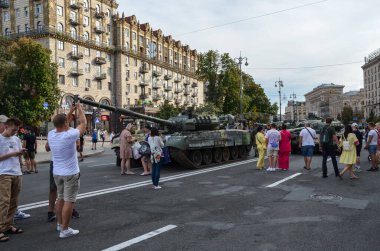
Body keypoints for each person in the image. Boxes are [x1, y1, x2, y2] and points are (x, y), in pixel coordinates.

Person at [47, 102, 86, 238]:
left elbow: (64, 123)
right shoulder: (69, 135)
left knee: (60, 199)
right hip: (70, 173)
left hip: (57, 173)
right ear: (65, 123)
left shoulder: (51, 134)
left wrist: (70, 111)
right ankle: (65, 229)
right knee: (69, 201)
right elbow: (83, 124)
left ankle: (59, 224)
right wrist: (80, 109)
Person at [0, 117, 24, 242]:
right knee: (4, 202)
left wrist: (20, 157)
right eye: (13, 130)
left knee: (14, 202)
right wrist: (13, 154)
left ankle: (8, 225)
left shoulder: (16, 139)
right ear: (6, 126)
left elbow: (18, 154)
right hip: (4, 174)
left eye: (17, 130)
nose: (15, 132)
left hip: (16, 172)